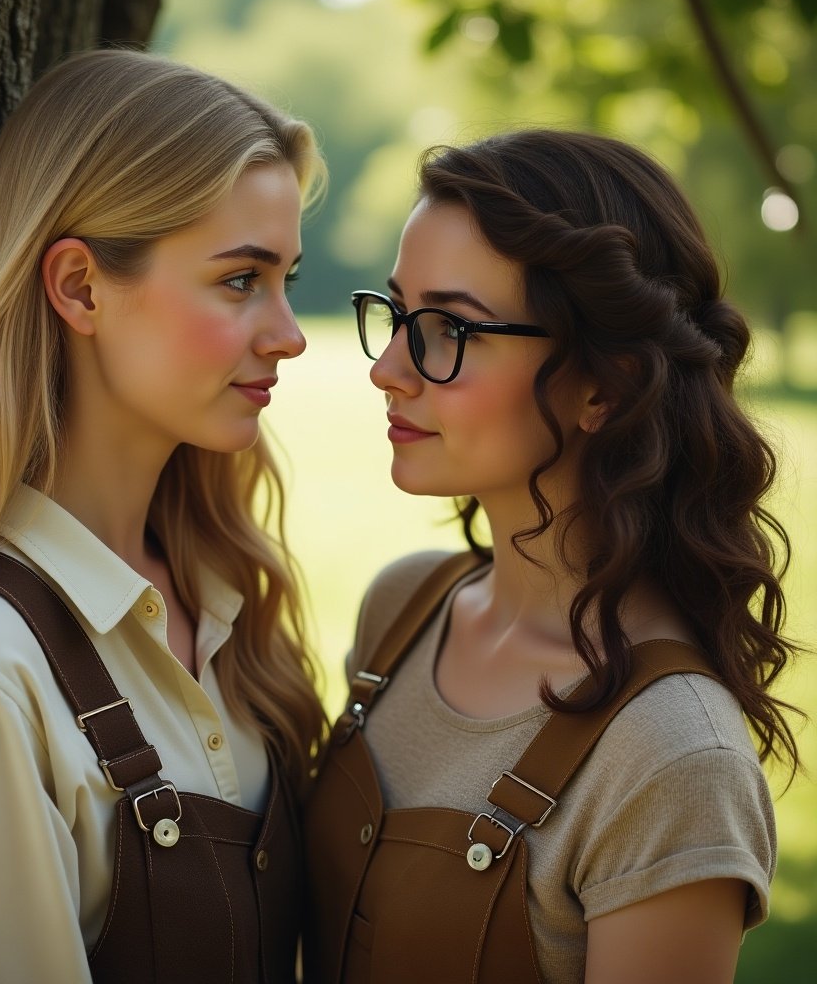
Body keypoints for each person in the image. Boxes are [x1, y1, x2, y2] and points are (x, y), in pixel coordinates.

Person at [0, 48, 326, 983]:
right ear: (80, 287)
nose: (286, 332)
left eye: (285, 278)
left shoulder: (225, 600)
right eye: (241, 280)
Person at [304, 129, 798, 984]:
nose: (389, 368)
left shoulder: (674, 757)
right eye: (394, 314)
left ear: (603, 385)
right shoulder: (401, 611)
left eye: (448, 329)